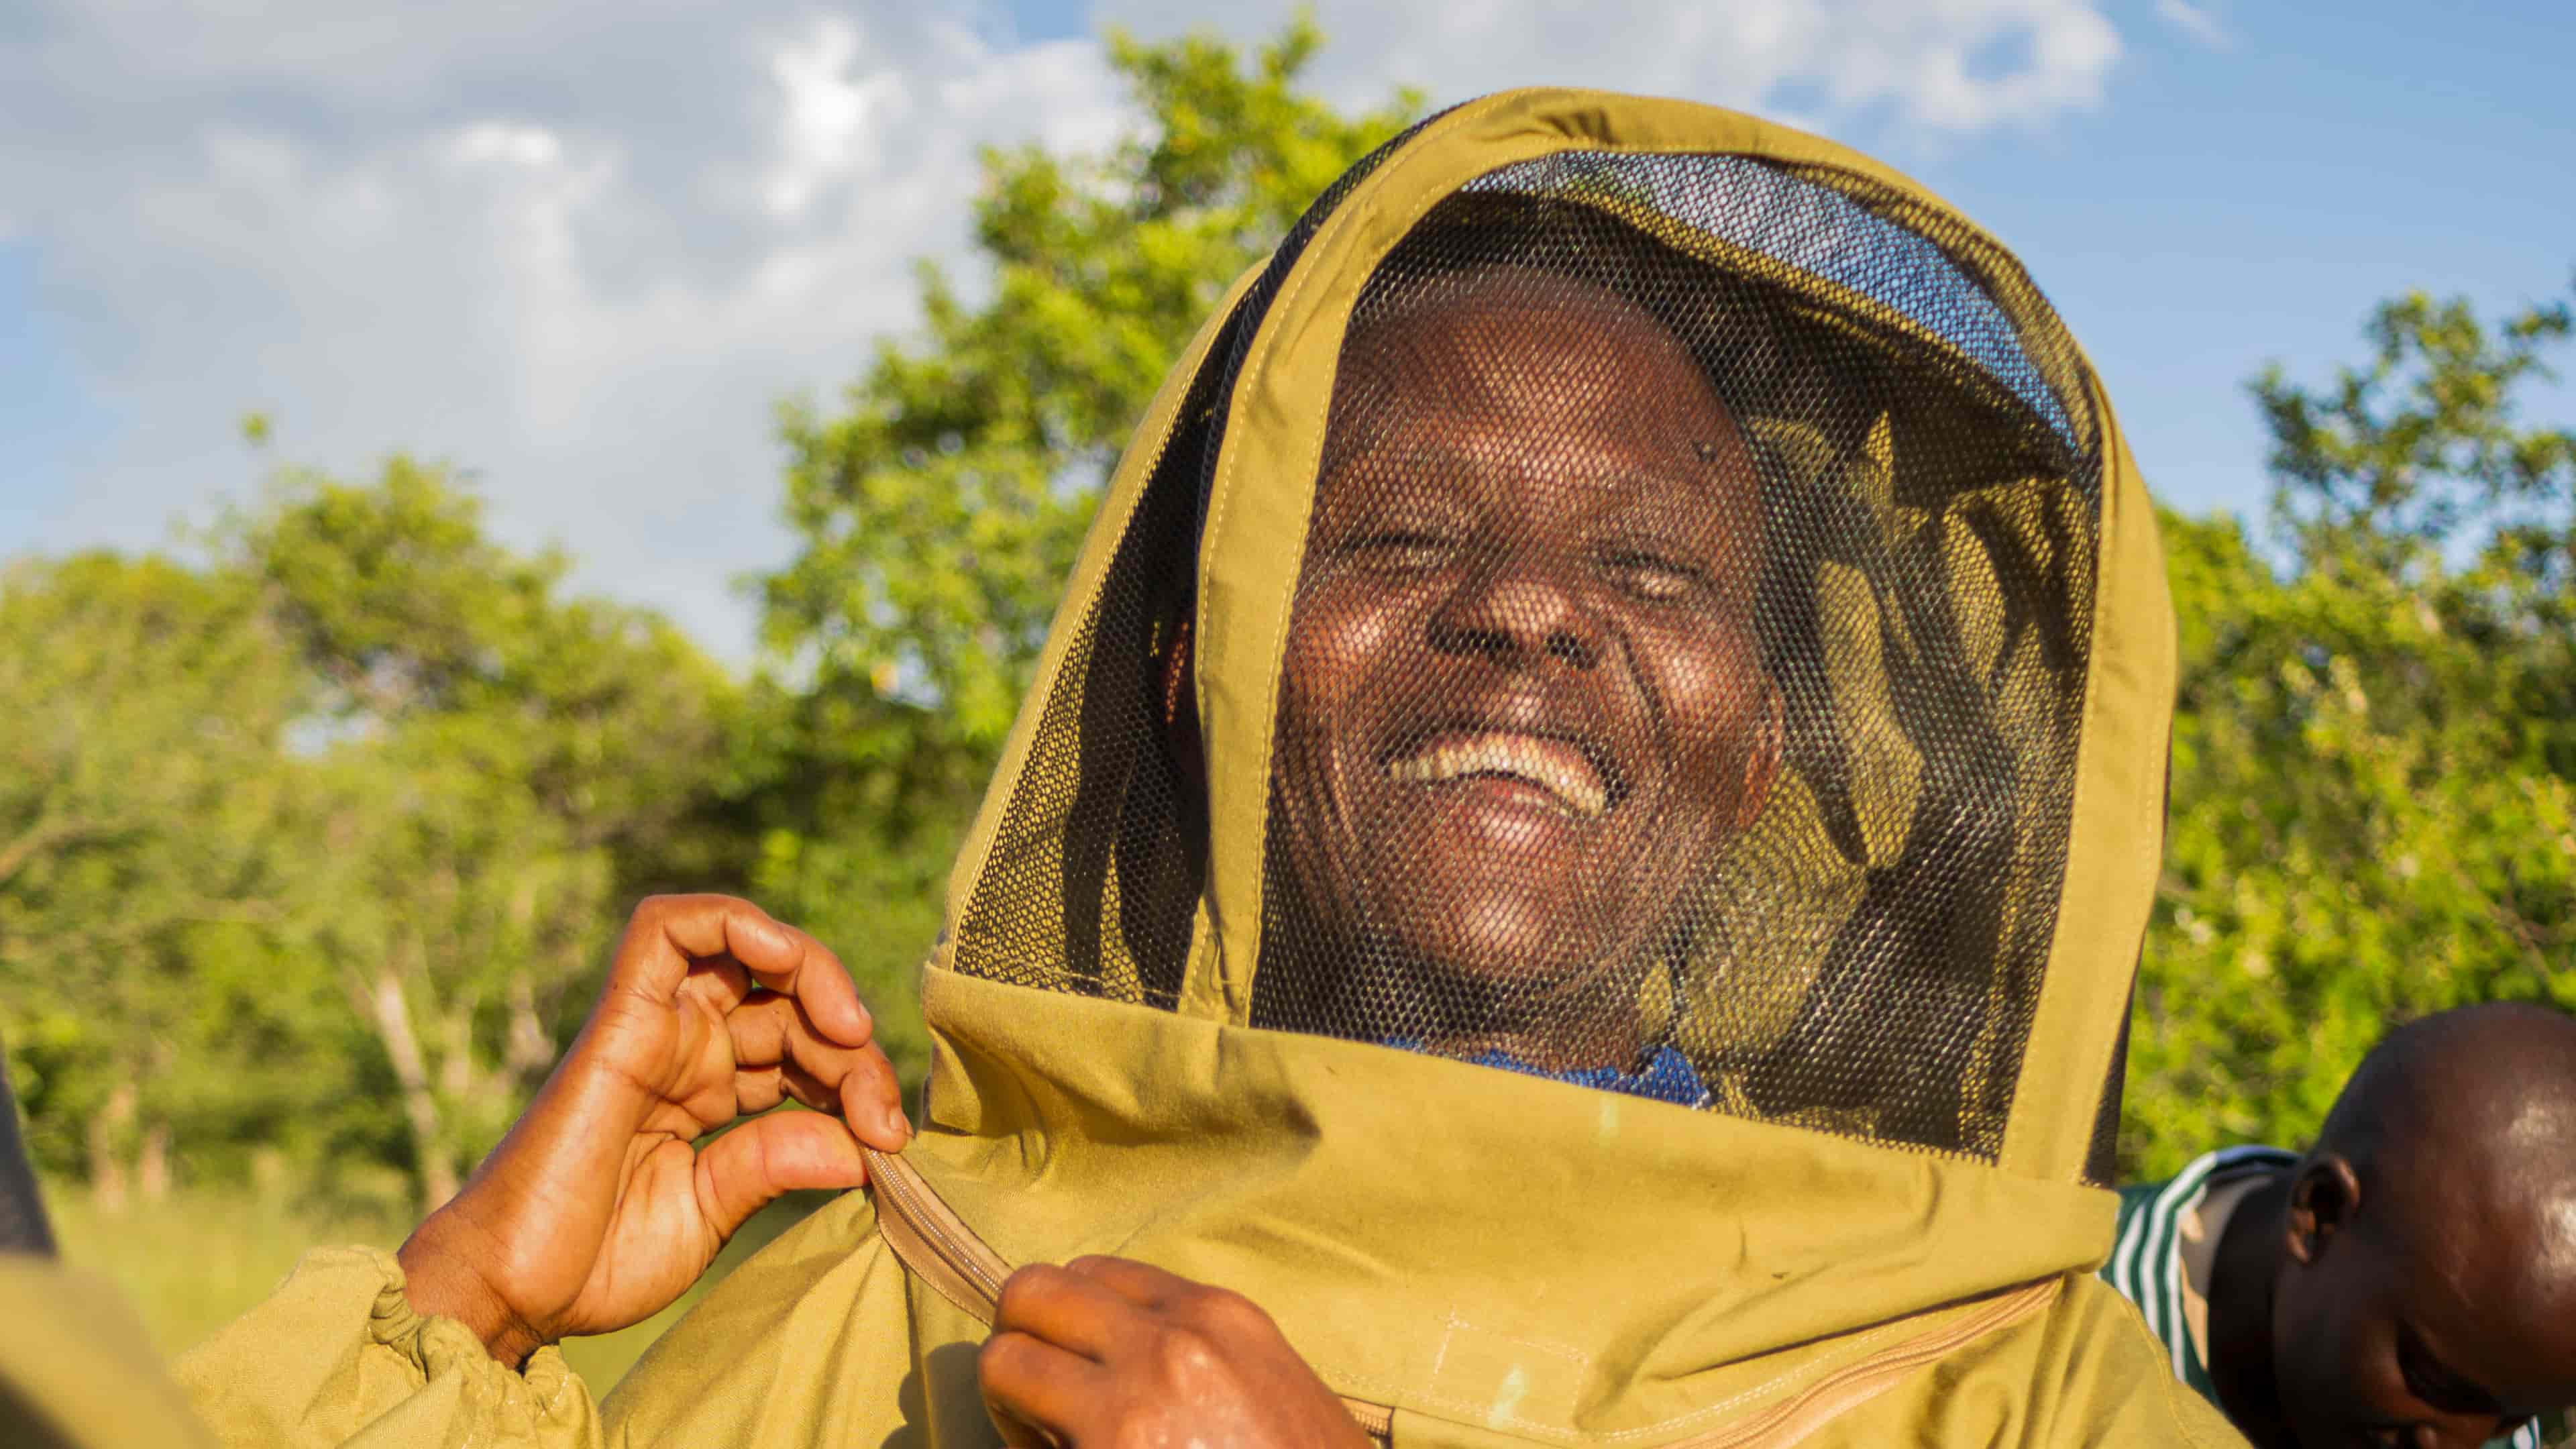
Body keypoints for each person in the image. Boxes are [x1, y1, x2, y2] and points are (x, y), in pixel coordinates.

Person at [177, 89, 2240, 1446]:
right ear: (1199, 679)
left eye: (1643, 566)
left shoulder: (2015, 1381)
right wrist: (462, 1321)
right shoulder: (897, 1298)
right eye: (1405, 538)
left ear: (1758, 753)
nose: (1528, 615)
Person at [2102, 1003, 2576, 1449]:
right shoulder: (2060, 1336)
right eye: (2432, 1382)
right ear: (2319, 1215)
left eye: (2514, 1417)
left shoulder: (2494, 1387)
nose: (2467, 1442)